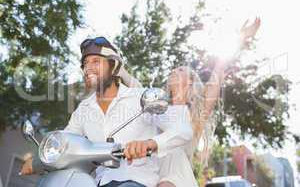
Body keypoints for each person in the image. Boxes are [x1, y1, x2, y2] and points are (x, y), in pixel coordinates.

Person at [20, 36, 193, 187]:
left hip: (135, 181)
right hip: (97, 182)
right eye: (85, 64)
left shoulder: (140, 98)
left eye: (96, 61)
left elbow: (183, 130)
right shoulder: (83, 110)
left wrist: (150, 143)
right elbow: (65, 144)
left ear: (113, 67)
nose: (88, 68)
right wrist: (36, 161)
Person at [119, 17, 261, 187]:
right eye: (174, 69)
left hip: (175, 177)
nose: (173, 70)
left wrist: (241, 38)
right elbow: (138, 90)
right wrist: (120, 70)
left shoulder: (195, 113)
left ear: (190, 82)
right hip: (149, 174)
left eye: (180, 70)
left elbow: (219, 68)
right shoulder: (158, 108)